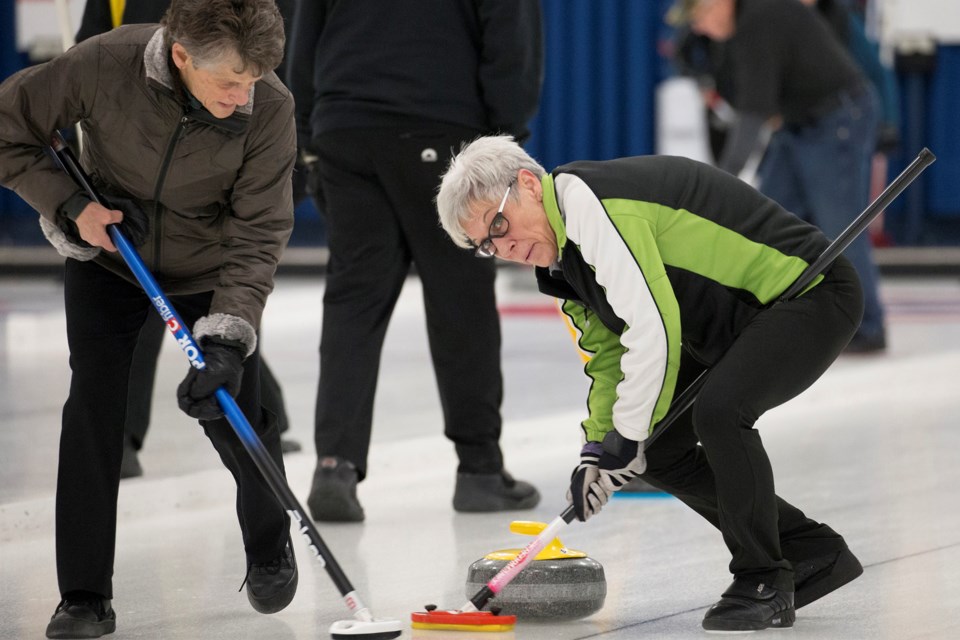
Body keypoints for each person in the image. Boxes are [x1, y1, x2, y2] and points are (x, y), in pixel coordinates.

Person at [436, 135, 865, 632]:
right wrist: (598, 449)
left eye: (499, 224)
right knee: (660, 450)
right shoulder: (561, 266)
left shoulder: (591, 205)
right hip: (738, 325)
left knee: (721, 412)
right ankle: (809, 550)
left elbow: (652, 328)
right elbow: (609, 357)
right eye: (487, 245)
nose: (505, 248)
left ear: (529, 185)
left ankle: (763, 578)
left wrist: (626, 436)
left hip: (808, 294)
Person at [0, 0, 298, 636]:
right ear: (182, 57)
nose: (243, 96)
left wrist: (226, 338)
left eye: (252, 80)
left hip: (212, 266)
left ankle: (269, 543)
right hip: (113, 255)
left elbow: (260, 231)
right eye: (229, 83)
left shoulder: (268, 105)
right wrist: (71, 206)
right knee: (93, 409)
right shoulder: (105, 63)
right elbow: (7, 127)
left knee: (237, 405)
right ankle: (83, 595)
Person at [287, 0, 544, 522]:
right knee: (460, 302)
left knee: (353, 301)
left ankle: (334, 466)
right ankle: (480, 471)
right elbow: (509, 38)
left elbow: (303, 34)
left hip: (346, 127)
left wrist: (311, 138)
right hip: (440, 124)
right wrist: (505, 137)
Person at [73, 0, 302, 480]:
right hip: (135, 176)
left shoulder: (248, 52)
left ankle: (254, 429)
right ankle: (124, 437)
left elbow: (273, 51)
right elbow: (88, 57)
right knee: (146, 311)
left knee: (220, 319)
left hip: (226, 157)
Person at [668, 0, 886, 354]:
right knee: (770, 220)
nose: (700, 29)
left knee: (839, 226)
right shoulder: (741, 26)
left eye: (701, 17)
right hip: (798, 122)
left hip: (837, 119)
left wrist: (718, 184)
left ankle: (866, 328)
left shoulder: (758, 22)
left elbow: (753, 116)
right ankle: (774, 319)